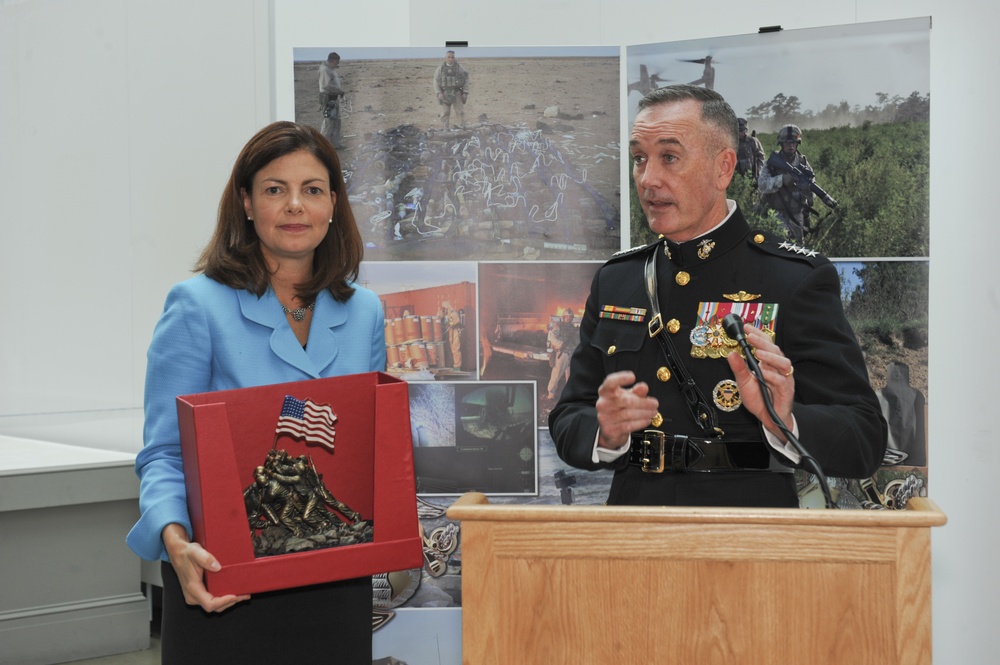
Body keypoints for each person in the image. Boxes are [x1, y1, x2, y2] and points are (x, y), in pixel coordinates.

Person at [548, 85, 886, 508]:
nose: (648, 178)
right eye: (639, 158)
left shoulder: (793, 278)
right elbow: (567, 416)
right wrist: (604, 429)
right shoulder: (619, 280)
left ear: (723, 167)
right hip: (633, 534)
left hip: (745, 536)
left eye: (669, 157)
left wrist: (787, 420)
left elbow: (864, 436)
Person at [126, 121, 385, 663]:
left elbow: (371, 444)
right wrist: (175, 541)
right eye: (274, 189)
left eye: (312, 190)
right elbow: (163, 453)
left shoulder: (365, 312)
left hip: (334, 579)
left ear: (333, 203)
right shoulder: (196, 305)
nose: (295, 206)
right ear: (246, 203)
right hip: (225, 581)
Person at [757, 124, 835, 243]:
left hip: (797, 215)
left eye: (794, 143)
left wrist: (807, 192)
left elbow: (812, 192)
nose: (791, 146)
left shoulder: (803, 163)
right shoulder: (772, 162)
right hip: (776, 213)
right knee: (781, 244)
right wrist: (781, 179)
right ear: (781, 144)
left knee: (798, 249)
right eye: (788, 143)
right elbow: (762, 185)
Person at [546, 307, 578, 400]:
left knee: (571, 375)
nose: (568, 318)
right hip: (562, 353)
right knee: (556, 374)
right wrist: (561, 344)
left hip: (571, 353)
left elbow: (578, 340)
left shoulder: (574, 329)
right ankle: (551, 393)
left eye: (570, 317)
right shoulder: (558, 326)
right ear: (563, 317)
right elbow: (553, 337)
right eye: (567, 316)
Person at [433, 50, 469, 129]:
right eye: (448, 57)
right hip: (445, 94)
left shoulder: (460, 68)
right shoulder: (440, 69)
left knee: (460, 112)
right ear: (445, 58)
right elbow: (435, 81)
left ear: (454, 58)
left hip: (457, 93)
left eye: (452, 57)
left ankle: (463, 128)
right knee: (445, 113)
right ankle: (445, 129)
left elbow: (466, 79)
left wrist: (465, 92)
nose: (450, 59)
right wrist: (438, 93)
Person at [318, 52, 345, 148]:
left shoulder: (330, 69)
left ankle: (335, 144)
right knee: (328, 123)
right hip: (328, 99)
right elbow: (326, 85)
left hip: (333, 99)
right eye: (336, 62)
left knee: (336, 122)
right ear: (332, 61)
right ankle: (322, 146)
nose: (337, 64)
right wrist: (339, 91)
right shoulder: (325, 70)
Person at [442, 300, 463, 370]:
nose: (443, 309)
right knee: (450, 349)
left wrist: (451, 323)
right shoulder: (446, 315)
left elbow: (457, 321)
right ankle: (453, 364)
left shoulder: (453, 313)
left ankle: (457, 366)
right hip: (450, 333)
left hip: (455, 332)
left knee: (455, 349)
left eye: (444, 308)